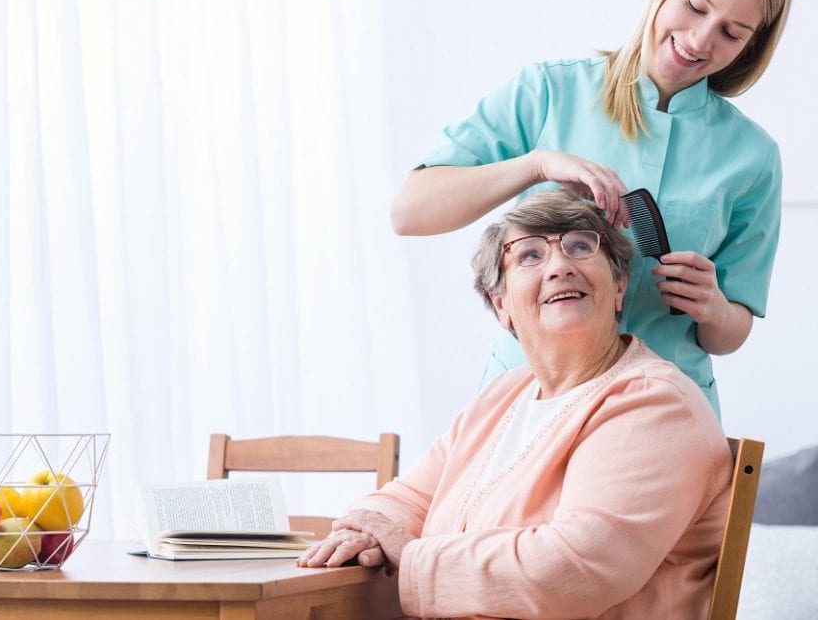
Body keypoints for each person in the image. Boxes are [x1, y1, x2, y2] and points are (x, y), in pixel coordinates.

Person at [390, 0, 793, 417]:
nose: (701, 40)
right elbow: (410, 211)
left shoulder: (753, 157)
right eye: (694, 6)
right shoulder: (548, 92)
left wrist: (715, 308)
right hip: (531, 400)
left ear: (752, 45)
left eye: (732, 32)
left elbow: (732, 330)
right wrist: (536, 165)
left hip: (664, 413)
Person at [299, 190, 733, 619]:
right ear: (501, 304)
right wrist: (364, 528)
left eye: (581, 247)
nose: (560, 266)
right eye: (528, 256)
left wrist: (410, 555)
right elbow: (409, 498)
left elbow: (572, 570)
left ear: (619, 287)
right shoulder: (503, 395)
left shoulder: (654, 404)